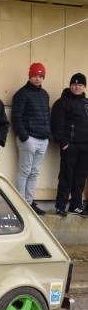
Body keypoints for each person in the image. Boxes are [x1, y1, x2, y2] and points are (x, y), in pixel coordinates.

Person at [12, 63, 51, 215]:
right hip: (28, 139)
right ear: (30, 76)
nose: (38, 79)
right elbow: (17, 117)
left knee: (34, 172)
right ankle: (21, 203)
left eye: (41, 76)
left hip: (43, 139)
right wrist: (24, 137)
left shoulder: (45, 94)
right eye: (35, 75)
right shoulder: (21, 94)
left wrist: (48, 136)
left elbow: (47, 116)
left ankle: (29, 202)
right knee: (25, 171)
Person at [50, 73, 88, 217]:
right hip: (70, 147)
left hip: (85, 148)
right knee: (66, 176)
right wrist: (64, 143)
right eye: (74, 84)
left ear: (84, 87)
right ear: (70, 85)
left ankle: (76, 205)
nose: (77, 87)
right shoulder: (62, 103)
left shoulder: (86, 103)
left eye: (80, 85)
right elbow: (57, 125)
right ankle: (61, 205)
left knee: (80, 178)